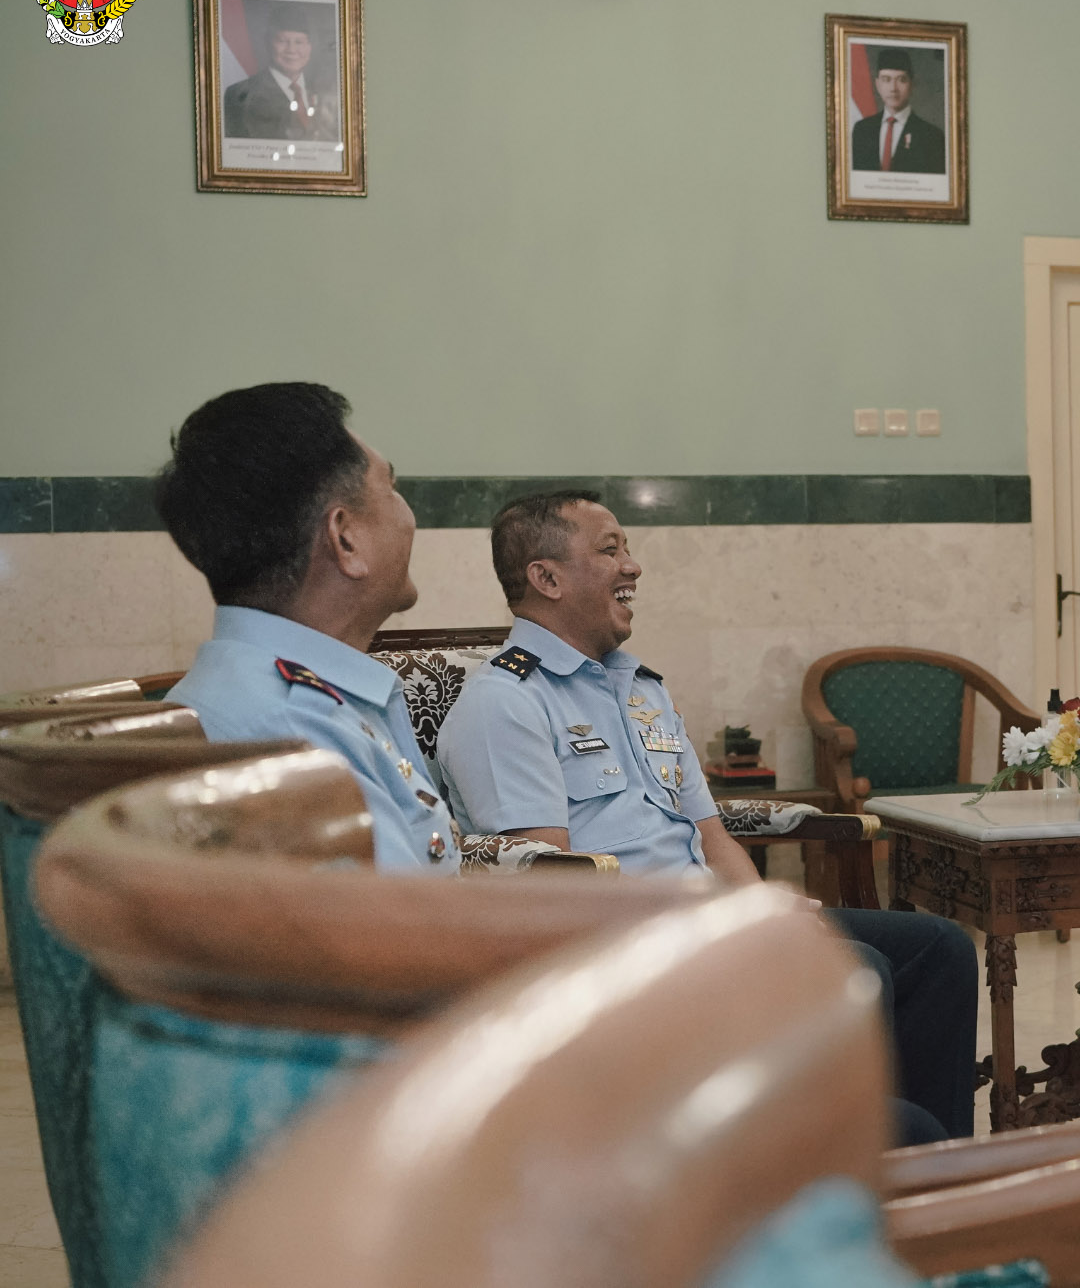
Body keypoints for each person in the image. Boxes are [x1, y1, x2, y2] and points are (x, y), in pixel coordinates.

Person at [436, 490, 977, 1143]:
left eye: (627, 548)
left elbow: (710, 835)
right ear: (546, 578)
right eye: (609, 550)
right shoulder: (505, 703)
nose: (633, 566)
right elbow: (549, 889)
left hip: (709, 924)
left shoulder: (640, 689)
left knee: (939, 949)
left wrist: (762, 915)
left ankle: (932, 1170)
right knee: (855, 967)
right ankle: (849, 1156)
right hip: (624, 951)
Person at [157, 383, 458, 875]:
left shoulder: (273, 694)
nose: (409, 515)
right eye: (390, 488)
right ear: (345, 538)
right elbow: (406, 923)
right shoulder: (293, 732)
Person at [222, 5, 339, 141]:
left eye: (299, 42)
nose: (291, 50)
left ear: (310, 47)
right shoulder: (241, 95)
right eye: (282, 41)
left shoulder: (326, 92)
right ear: (268, 43)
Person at [849, 47, 947, 175]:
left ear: (912, 85)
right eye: (886, 79)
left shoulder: (932, 136)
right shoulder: (862, 130)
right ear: (877, 84)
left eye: (901, 80)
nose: (893, 88)